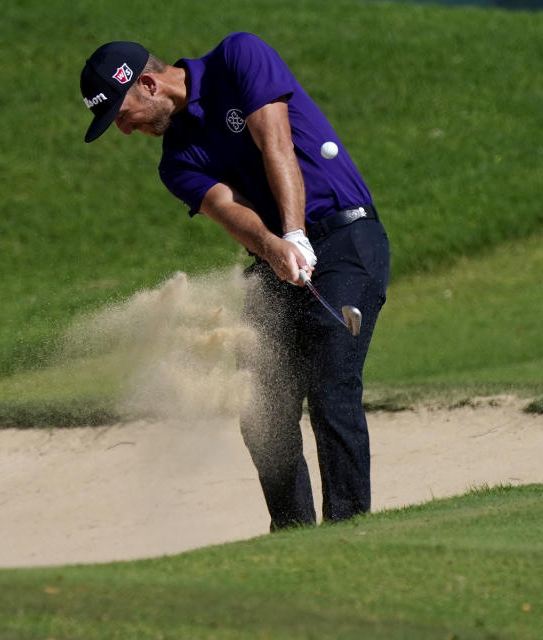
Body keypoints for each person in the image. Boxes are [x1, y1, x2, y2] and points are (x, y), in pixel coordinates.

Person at [79, 33, 390, 530]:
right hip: (276, 259)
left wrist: (294, 232)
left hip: (347, 238)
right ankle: (293, 536)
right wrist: (275, 248)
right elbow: (227, 209)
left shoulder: (238, 57)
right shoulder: (175, 162)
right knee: (261, 405)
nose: (123, 129)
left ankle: (349, 532)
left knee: (332, 389)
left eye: (120, 114)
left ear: (148, 83)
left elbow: (276, 143)